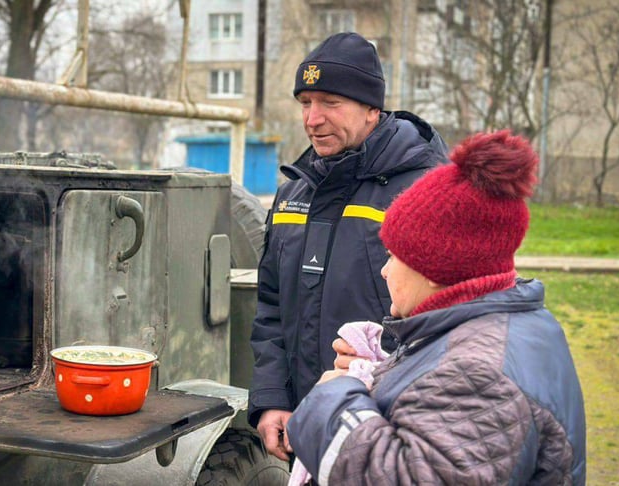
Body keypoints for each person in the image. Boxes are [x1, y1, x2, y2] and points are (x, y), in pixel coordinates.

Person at [286, 130, 587, 484]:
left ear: (433, 269)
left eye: (392, 256)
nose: (384, 270)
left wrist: (333, 399)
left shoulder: (476, 377)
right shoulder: (515, 322)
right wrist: (386, 374)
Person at [247, 31, 449, 462]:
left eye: (330, 103)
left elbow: (451, 322)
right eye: (305, 103)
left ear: (372, 109)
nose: (312, 119)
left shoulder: (425, 193)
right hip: (306, 423)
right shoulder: (291, 195)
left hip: (390, 434)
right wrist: (272, 399)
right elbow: (270, 308)